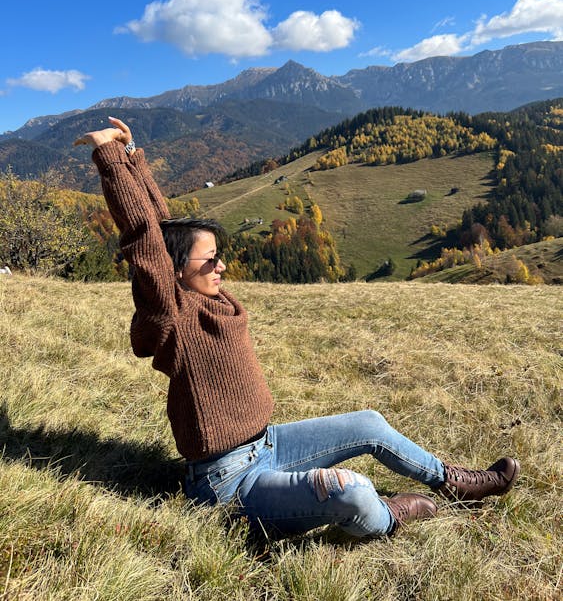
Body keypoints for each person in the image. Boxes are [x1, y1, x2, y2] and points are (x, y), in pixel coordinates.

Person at [74, 117, 520, 539]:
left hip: (268, 444)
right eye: (210, 260)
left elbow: (165, 228)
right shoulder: (172, 312)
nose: (221, 265)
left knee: (371, 423)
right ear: (173, 273)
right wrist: (109, 161)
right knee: (355, 492)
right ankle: (389, 516)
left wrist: (132, 154)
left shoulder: (208, 298)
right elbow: (146, 241)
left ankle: (452, 481)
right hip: (226, 483)